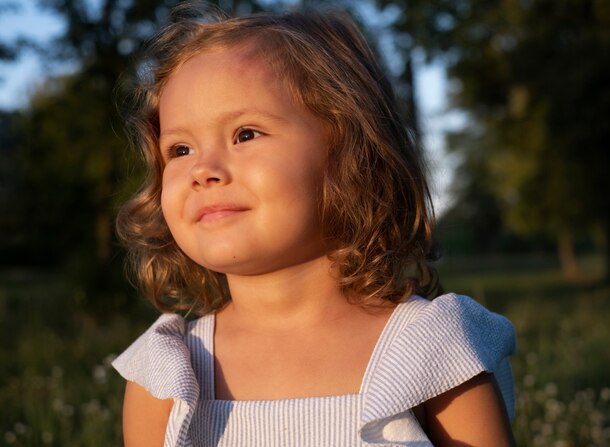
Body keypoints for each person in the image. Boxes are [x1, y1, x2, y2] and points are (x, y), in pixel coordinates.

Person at [112, 2, 516, 446]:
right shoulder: (167, 375)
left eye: (245, 134)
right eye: (180, 149)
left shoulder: (430, 354)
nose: (202, 170)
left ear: (349, 155)